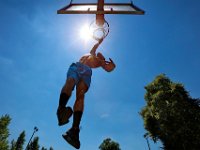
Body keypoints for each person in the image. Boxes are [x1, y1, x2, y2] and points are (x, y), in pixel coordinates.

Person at [56, 38, 116, 149]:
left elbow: (108, 69)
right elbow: (95, 47)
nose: (100, 54)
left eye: (102, 56)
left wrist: (112, 66)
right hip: (77, 67)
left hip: (86, 73)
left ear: (103, 58)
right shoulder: (91, 53)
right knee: (70, 81)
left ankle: (74, 130)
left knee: (81, 94)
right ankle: (61, 110)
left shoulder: (101, 62)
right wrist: (99, 41)